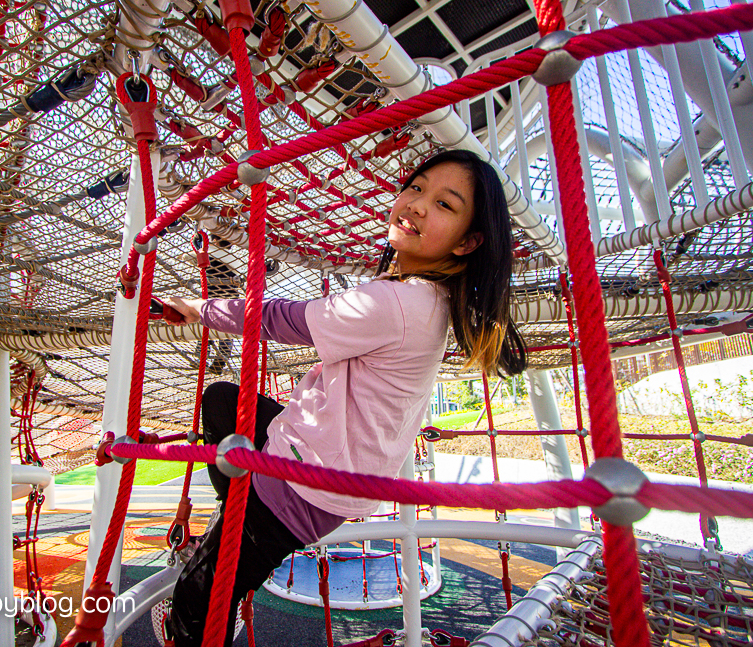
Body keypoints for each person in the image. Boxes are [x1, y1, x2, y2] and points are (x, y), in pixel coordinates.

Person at [161, 148, 527, 646]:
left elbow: (278, 319)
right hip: (331, 468)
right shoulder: (428, 298)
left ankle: (233, 548)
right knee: (224, 400)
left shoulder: (396, 301)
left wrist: (197, 308)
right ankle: (236, 526)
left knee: (195, 603)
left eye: (444, 205)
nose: (418, 204)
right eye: (417, 188)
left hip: (305, 482)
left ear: (467, 243)